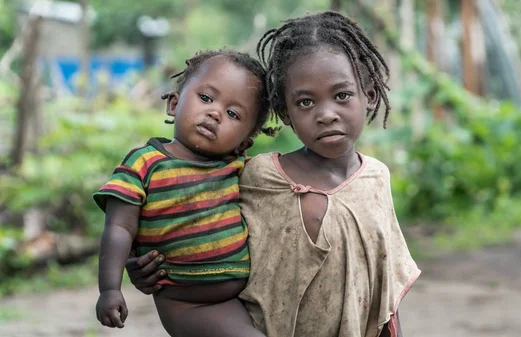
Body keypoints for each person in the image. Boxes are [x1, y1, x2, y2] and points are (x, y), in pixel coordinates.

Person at [125, 11, 421, 337]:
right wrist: (141, 262)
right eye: (306, 102)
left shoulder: (376, 179)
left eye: (342, 95)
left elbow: (385, 288)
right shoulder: (259, 176)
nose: (326, 114)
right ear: (285, 112)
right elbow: (177, 208)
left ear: (370, 96)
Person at [93, 50, 274, 337]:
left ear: (245, 142)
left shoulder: (237, 168)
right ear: (174, 104)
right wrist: (110, 289)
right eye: (205, 98)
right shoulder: (145, 164)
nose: (215, 113)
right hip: (187, 303)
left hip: (244, 295)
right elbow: (119, 227)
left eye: (233, 114)